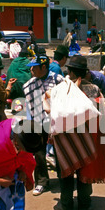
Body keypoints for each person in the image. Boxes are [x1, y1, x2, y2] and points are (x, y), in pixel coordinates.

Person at [52, 55, 105, 210]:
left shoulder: (59, 89)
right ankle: (84, 204)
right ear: (84, 73)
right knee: (84, 172)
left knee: (66, 173)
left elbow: (52, 114)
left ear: (70, 71)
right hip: (86, 138)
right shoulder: (94, 90)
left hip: (64, 138)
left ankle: (67, 204)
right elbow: (101, 116)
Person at [23, 51, 64, 196]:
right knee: (39, 154)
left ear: (44, 67)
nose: (31, 70)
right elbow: (29, 106)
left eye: (34, 67)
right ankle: (41, 182)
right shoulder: (29, 85)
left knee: (60, 153)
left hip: (57, 122)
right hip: (38, 123)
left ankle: (63, 179)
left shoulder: (58, 80)